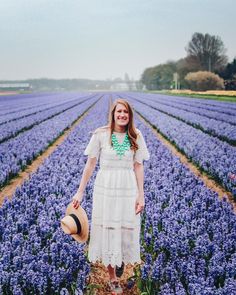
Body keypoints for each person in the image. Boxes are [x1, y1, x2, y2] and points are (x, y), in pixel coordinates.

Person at [72, 98, 150, 293]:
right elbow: (90, 165)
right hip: (105, 188)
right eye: (119, 112)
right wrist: (80, 192)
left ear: (129, 116)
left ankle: (120, 259)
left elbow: (139, 166)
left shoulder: (136, 135)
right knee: (108, 229)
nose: (122, 115)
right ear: (113, 114)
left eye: (126, 112)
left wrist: (141, 195)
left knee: (126, 227)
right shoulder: (101, 134)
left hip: (128, 187)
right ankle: (113, 277)